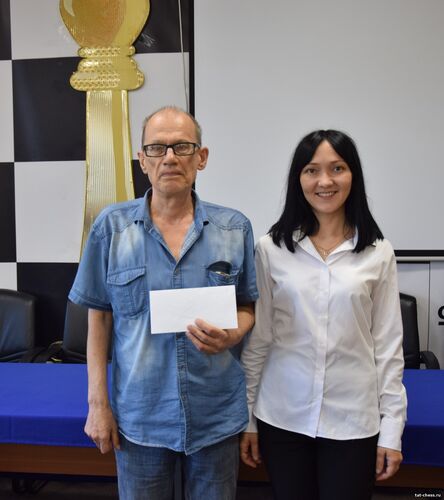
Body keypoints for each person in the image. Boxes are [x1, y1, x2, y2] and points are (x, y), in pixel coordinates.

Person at [68, 106, 258, 500]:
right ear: (142, 160)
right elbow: (98, 320)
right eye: (157, 148)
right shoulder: (112, 228)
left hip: (215, 416)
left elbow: (247, 307)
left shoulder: (233, 228)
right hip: (140, 417)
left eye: (182, 147)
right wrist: (97, 404)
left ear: (201, 157)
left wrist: (233, 333)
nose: (169, 158)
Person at [240, 130, 407, 500]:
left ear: (353, 175)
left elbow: (388, 347)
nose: (325, 181)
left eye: (337, 168)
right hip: (282, 416)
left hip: (352, 420)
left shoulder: (378, 252)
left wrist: (392, 429)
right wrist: (248, 418)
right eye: (312, 170)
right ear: (298, 179)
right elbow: (260, 339)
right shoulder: (271, 249)